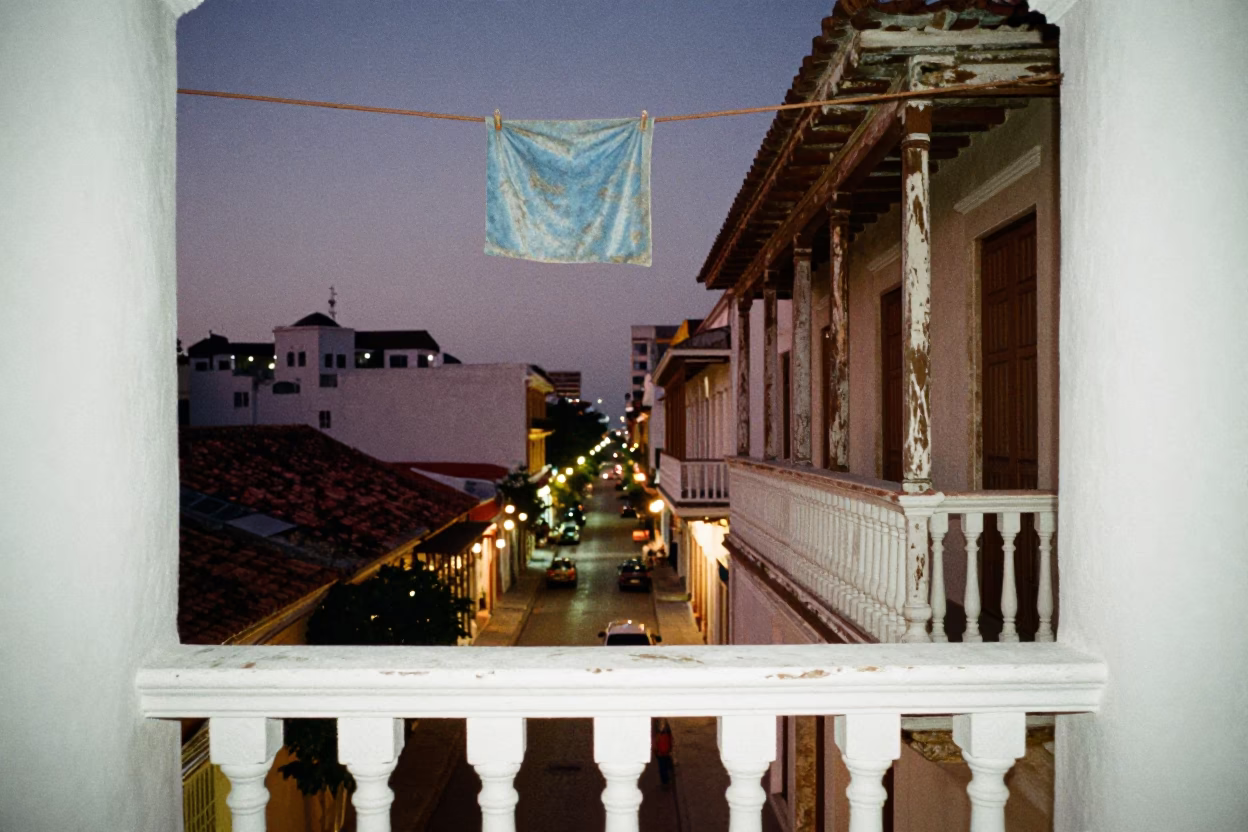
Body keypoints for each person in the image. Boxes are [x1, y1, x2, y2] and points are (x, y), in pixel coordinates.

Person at [654, 719, 674, 786]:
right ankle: (665, 782)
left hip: (664, 742)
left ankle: (666, 780)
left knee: (664, 762)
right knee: (662, 764)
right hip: (661, 745)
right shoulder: (655, 723)